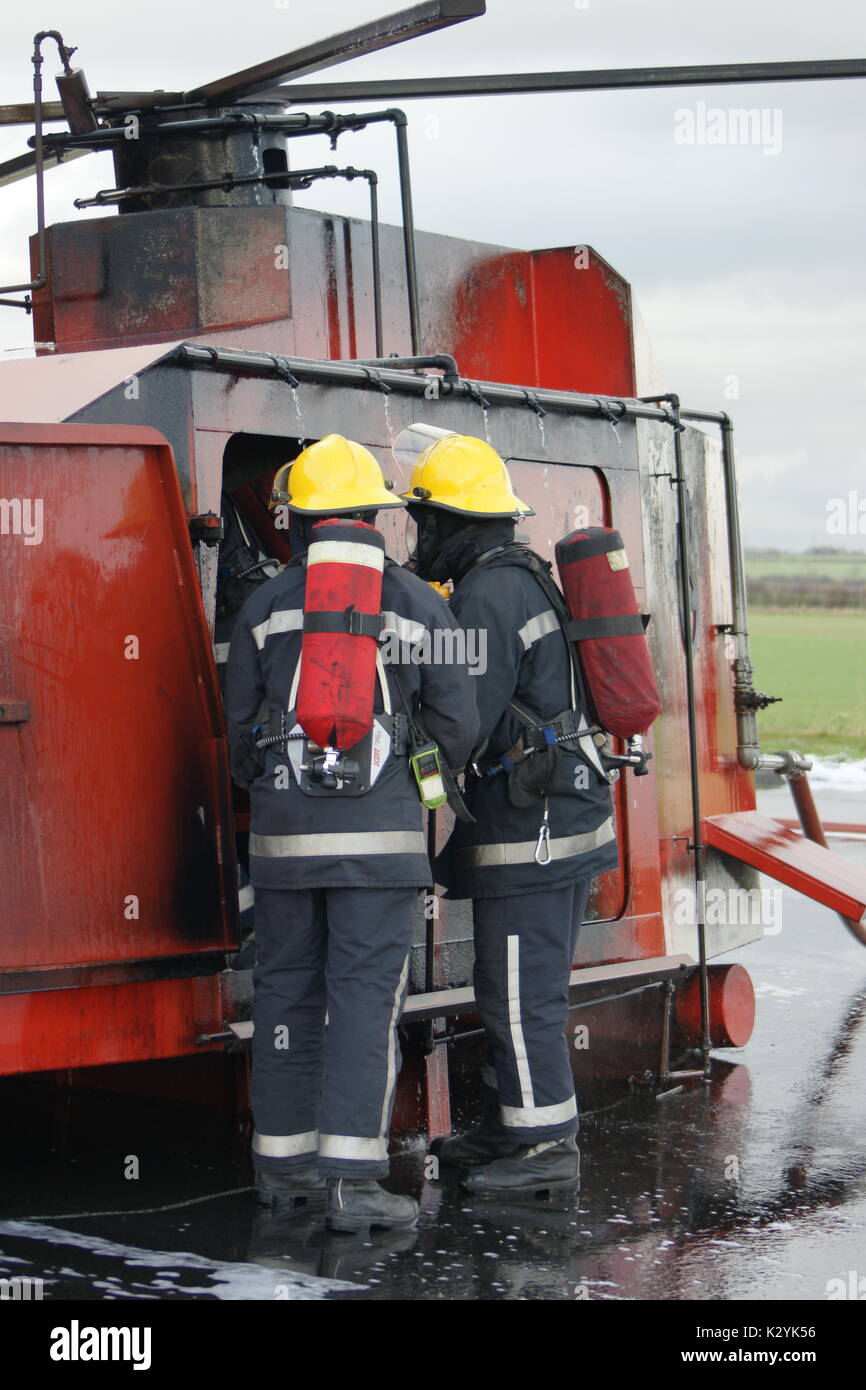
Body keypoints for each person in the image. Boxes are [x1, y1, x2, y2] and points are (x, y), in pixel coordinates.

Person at [225, 434, 478, 1232]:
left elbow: (236, 739)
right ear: (373, 515)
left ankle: (284, 1177)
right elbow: (459, 724)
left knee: (286, 999)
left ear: (298, 521)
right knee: (366, 1005)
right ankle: (355, 1185)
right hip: (382, 851)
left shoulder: (263, 607)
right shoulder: (418, 603)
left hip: (283, 850)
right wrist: (414, 772)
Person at [404, 433, 620, 1195]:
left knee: (520, 997)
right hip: (563, 818)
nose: (418, 535)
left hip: (533, 834)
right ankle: (514, 1126)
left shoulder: (487, 597)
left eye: (425, 520)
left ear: (460, 522)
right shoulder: (519, 580)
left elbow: (462, 722)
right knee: (522, 988)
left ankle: (543, 1154)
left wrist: (411, 782)